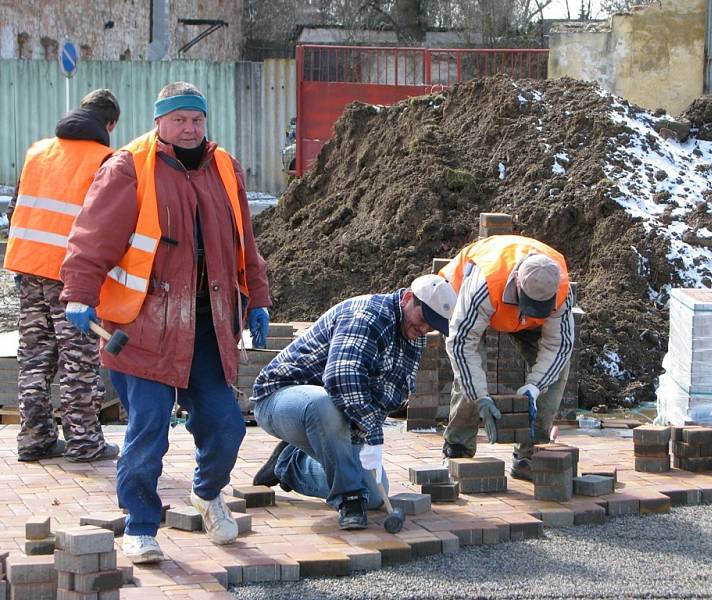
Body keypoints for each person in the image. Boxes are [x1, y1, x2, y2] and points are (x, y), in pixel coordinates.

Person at [59, 82, 272, 564]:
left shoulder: (224, 167)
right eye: (179, 119)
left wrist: (257, 298)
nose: (190, 128)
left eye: (197, 119)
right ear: (159, 122)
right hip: (141, 327)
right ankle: (140, 526)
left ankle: (208, 492)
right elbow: (92, 237)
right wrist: (78, 292)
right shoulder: (130, 166)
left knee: (226, 425)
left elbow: (245, 244)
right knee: (148, 429)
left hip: (208, 327)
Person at [250, 274, 457, 530]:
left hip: (336, 414)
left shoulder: (414, 335)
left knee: (373, 494)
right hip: (281, 399)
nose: (425, 329)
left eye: (433, 325)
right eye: (424, 319)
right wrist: (372, 432)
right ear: (407, 299)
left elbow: (393, 392)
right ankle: (348, 501)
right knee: (322, 405)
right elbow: (340, 378)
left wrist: (363, 436)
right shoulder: (368, 316)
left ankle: (289, 464)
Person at [3, 89, 121, 463]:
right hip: (73, 275)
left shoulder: (38, 151)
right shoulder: (105, 159)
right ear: (110, 124)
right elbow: (107, 224)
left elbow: (16, 208)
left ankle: (35, 439)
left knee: (35, 359)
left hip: (27, 268)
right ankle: (85, 443)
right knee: (79, 361)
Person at [438, 234, 575, 481]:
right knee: (468, 375)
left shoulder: (560, 289)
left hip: (519, 316)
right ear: (518, 284)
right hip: (466, 301)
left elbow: (559, 345)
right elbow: (461, 345)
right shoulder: (484, 283)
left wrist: (534, 388)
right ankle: (458, 447)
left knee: (557, 370)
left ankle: (531, 454)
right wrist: (481, 397)